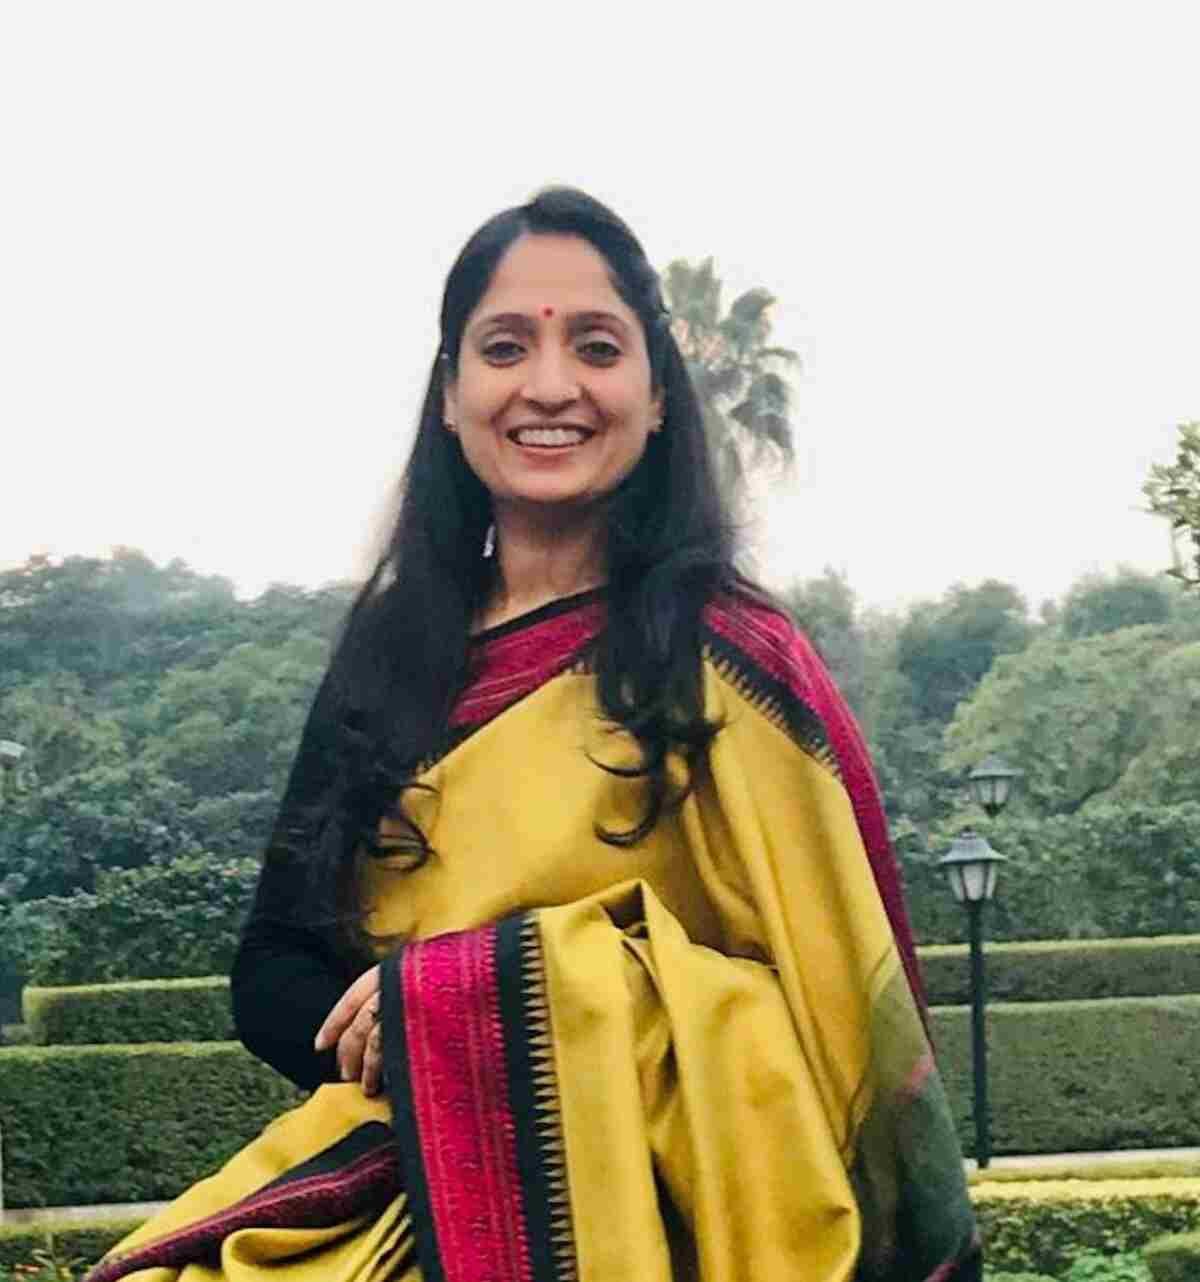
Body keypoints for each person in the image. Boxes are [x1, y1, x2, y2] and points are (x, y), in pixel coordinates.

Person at [87, 188, 981, 1282]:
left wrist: (509, 998)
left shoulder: (734, 660)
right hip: (414, 1176)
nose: (550, 386)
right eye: (505, 347)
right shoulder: (391, 655)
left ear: (657, 395)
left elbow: (834, 1013)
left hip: (699, 1212)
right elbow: (273, 969)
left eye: (596, 347)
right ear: (452, 395)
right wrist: (432, 1031)